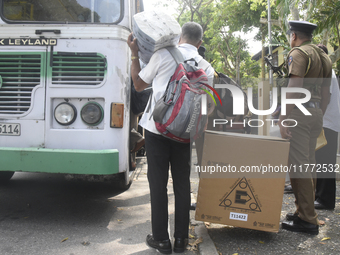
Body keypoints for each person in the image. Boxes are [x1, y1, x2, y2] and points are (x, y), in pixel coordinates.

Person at [127, 22, 214, 254]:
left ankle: (161, 240)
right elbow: (208, 107)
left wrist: (135, 55)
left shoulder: (163, 54)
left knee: (158, 185)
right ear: (200, 43)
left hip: (156, 130)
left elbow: (138, 85)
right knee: (183, 185)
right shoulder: (207, 67)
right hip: (184, 135)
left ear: (179, 37)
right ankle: (181, 241)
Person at [279, 21, 332, 235]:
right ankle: (303, 212)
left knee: (300, 166)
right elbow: (327, 93)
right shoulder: (324, 57)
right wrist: (319, 113)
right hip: (316, 112)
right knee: (308, 164)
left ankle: (308, 220)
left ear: (294, 36)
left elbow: (295, 87)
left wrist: (284, 117)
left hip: (300, 114)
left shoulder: (299, 53)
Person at [314, 44, 340, 210]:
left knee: (326, 161)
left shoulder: (326, 71)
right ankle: (320, 196)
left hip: (327, 122)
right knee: (321, 160)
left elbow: (326, 97)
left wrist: (317, 118)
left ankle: (326, 200)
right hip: (327, 121)